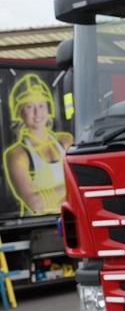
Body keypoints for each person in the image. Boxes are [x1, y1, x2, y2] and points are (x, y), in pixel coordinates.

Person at [3, 73, 72, 216]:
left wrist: (48, 195)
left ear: (48, 108)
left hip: (70, 220)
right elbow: (36, 205)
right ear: (19, 112)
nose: (37, 113)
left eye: (41, 105)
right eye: (29, 106)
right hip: (39, 229)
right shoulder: (17, 154)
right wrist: (70, 185)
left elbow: (84, 182)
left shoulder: (65, 141)